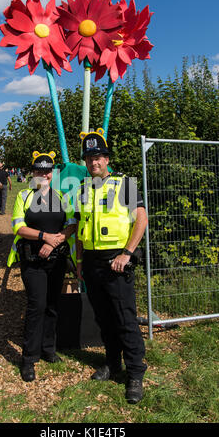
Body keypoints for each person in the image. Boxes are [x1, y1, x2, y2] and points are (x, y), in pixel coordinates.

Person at [75, 128, 148, 405]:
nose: (93, 162)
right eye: (89, 158)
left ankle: (136, 373)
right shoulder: (83, 189)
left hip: (117, 263)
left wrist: (127, 253)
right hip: (92, 263)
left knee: (125, 319)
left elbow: (141, 220)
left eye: (98, 157)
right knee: (104, 318)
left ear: (107, 159)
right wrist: (80, 262)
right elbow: (82, 228)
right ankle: (112, 363)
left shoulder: (125, 184)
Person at [7, 151, 76, 382]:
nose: (43, 174)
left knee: (53, 305)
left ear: (53, 173)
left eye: (47, 171)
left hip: (56, 260)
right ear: (33, 173)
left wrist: (56, 240)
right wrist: (44, 237)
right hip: (33, 261)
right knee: (37, 306)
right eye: (39, 171)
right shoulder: (24, 196)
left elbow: (72, 224)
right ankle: (28, 358)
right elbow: (18, 227)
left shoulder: (61, 197)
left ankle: (48, 349)